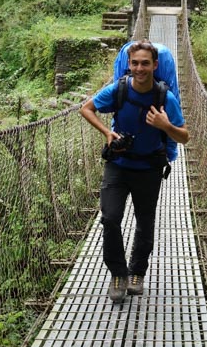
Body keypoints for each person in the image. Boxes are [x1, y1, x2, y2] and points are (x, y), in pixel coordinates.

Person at [79, 39, 189, 303]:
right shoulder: (119, 90)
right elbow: (86, 108)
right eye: (135, 63)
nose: (140, 68)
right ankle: (118, 273)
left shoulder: (165, 98)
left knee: (144, 221)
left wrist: (165, 125)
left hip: (149, 168)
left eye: (145, 63)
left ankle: (137, 272)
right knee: (110, 218)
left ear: (155, 65)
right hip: (118, 164)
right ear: (128, 65)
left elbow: (184, 137)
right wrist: (107, 132)